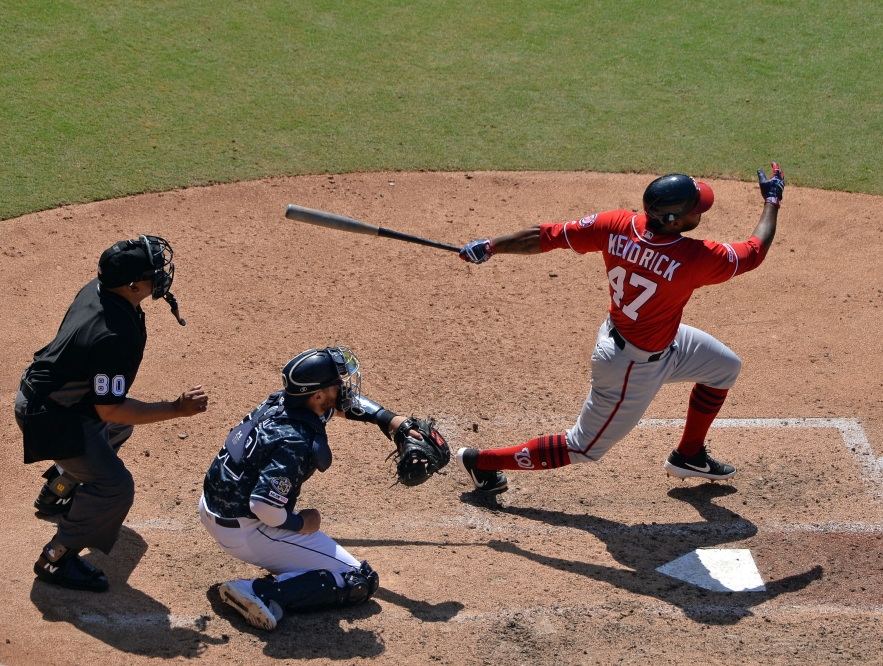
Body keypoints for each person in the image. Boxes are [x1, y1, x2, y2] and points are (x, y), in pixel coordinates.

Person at [454, 165, 785, 494]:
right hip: (630, 368)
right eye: (695, 210)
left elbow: (544, 235)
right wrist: (772, 200)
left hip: (659, 341)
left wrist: (490, 246)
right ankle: (481, 462)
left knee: (725, 368)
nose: (701, 213)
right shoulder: (693, 259)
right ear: (674, 221)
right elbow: (755, 251)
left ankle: (689, 455)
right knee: (582, 447)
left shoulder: (615, 225)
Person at [16, 235, 208, 591]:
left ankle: (57, 491)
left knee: (117, 431)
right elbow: (111, 410)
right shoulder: (113, 334)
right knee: (115, 486)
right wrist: (176, 409)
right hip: (50, 416)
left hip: (50, 396)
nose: (162, 275)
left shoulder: (99, 289)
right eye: (154, 272)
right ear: (133, 285)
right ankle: (57, 558)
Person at [201, 346, 421, 631]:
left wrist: (391, 421)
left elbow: (340, 408)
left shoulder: (285, 402)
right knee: (358, 580)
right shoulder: (294, 441)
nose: (343, 387)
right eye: (336, 383)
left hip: (215, 507)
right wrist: (301, 523)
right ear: (317, 396)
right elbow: (262, 506)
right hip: (246, 528)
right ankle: (258, 592)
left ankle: (282, 569)